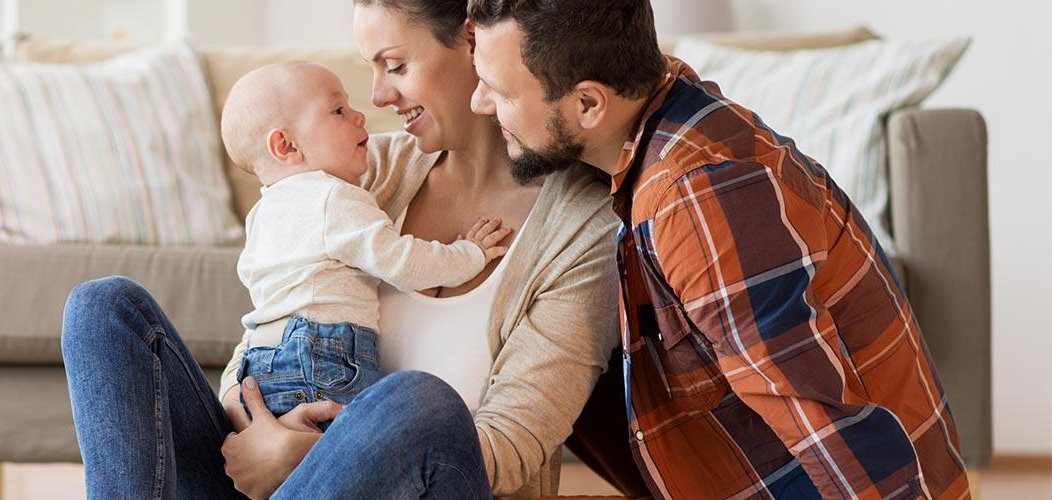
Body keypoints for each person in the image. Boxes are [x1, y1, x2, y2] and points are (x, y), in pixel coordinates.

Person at [59, 0, 623, 497]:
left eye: (396, 65)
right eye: (371, 70)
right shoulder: (362, 168)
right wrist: (256, 426)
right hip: (268, 477)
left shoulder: (582, 230)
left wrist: (309, 455)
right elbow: (270, 329)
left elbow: (510, 448)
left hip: (421, 486)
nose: (377, 96)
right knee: (104, 309)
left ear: (474, 44)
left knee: (419, 402)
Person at [464, 0, 970, 497]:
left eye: (500, 92)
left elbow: (821, 424)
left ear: (590, 104)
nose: (479, 104)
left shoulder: (696, 195)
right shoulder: (658, 113)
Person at [216, 60, 510, 423]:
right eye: (338, 110)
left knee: (293, 471)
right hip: (321, 360)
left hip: (259, 364)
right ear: (287, 145)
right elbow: (403, 262)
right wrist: (470, 254)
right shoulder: (334, 198)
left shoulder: (262, 214)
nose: (360, 116)